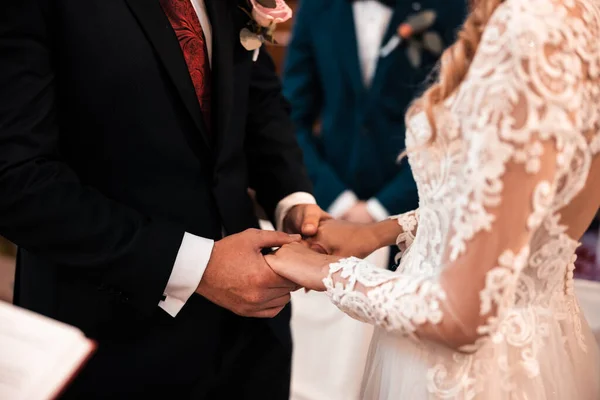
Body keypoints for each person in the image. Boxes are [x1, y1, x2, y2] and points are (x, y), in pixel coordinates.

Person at [266, 0, 600, 398]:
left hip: (470, 370)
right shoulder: (582, 17)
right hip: (539, 342)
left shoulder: (528, 26)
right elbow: (518, 209)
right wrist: (381, 233)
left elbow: (461, 316)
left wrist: (324, 273)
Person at [0, 0, 329, 398]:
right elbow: (16, 180)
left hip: (252, 339)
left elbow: (257, 95)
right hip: (111, 338)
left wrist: (292, 198)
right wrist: (197, 267)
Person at [283, 0, 466, 245]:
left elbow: (459, 122)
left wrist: (381, 209)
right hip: (329, 214)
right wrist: (337, 199)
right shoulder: (316, 7)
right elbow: (291, 118)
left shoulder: (450, 7)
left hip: (419, 214)